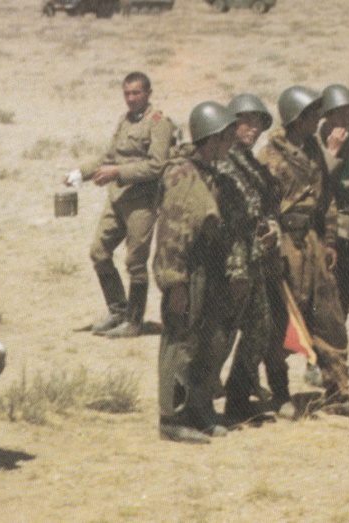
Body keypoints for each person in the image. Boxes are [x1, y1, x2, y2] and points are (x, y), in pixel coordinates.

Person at [258, 86, 349, 420]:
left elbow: (327, 201)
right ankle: (280, 395)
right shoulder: (270, 156)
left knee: (330, 318)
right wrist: (272, 250)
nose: (316, 120)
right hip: (285, 245)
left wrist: (330, 240)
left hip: (313, 243)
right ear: (295, 118)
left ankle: (338, 392)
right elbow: (265, 207)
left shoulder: (313, 151)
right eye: (310, 115)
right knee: (282, 320)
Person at [67, 72, 175, 339]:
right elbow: (109, 155)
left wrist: (118, 172)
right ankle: (117, 310)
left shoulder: (158, 123)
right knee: (99, 252)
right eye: (126, 93)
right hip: (117, 199)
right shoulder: (124, 121)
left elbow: (157, 165)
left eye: (136, 93)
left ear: (148, 93)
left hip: (142, 201)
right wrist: (81, 173)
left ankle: (134, 321)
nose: (130, 98)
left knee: (135, 261)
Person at [154, 102, 238, 444]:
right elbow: (172, 234)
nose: (231, 144)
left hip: (206, 269)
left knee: (204, 341)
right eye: (227, 137)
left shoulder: (206, 172)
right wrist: (175, 284)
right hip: (187, 273)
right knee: (180, 343)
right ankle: (171, 418)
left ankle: (197, 408)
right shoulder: (182, 175)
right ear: (212, 138)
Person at [214, 94, 293, 424]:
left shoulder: (251, 164)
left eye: (258, 122)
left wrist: (271, 227)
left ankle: (237, 398)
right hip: (232, 264)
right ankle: (195, 399)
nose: (253, 128)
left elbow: (266, 208)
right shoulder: (222, 162)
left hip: (257, 260)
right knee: (221, 334)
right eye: (245, 121)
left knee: (259, 330)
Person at [318, 84, 349, 316]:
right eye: (342, 113)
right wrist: (331, 152)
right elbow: (317, 187)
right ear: (327, 115)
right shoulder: (314, 144)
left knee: (345, 298)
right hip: (324, 232)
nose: (348, 118)